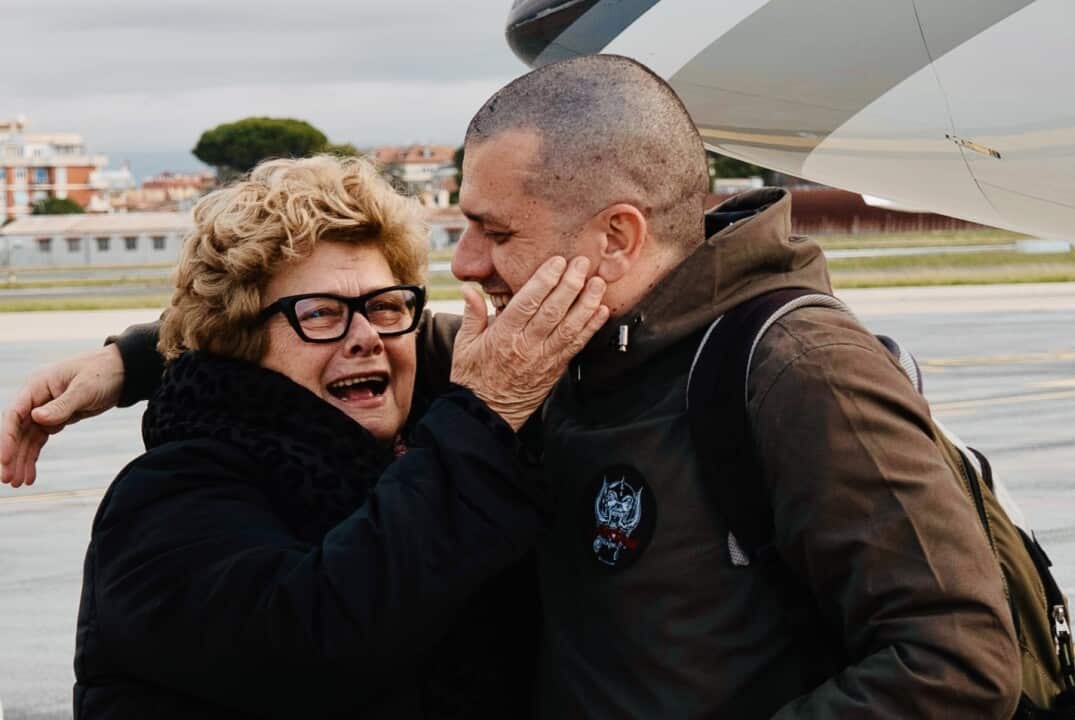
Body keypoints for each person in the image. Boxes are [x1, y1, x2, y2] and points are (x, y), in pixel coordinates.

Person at [3, 56, 1020, 718]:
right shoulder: (556, 348)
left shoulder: (790, 367)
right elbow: (329, 343)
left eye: (493, 232)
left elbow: (957, 662)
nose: (471, 270)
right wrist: (134, 359)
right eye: (462, 234)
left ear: (614, 236)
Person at [65, 155, 608, 718]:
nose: (366, 337)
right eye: (322, 313)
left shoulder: (415, 438)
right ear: (238, 339)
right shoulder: (164, 498)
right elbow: (315, 643)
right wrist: (483, 419)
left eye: (384, 305)